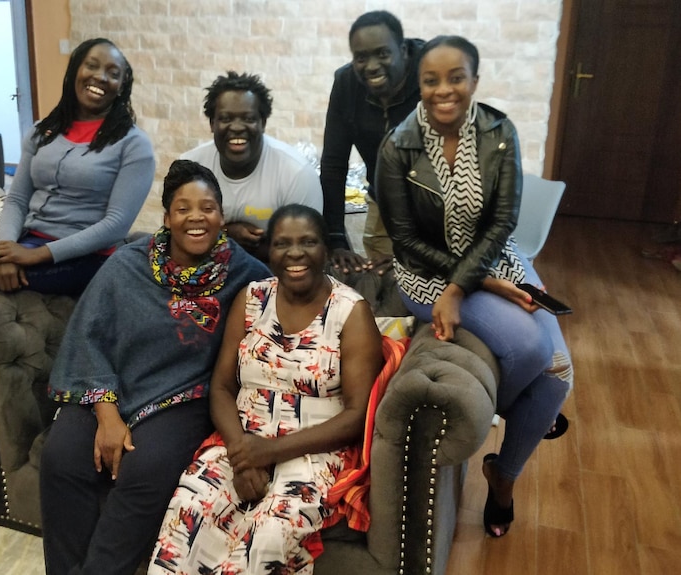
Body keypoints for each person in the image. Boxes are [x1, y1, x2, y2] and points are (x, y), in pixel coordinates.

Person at [375, 35, 574, 538]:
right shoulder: (398, 147)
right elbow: (403, 240)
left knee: (559, 374)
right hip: (425, 275)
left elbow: (503, 221)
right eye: (431, 80)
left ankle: (502, 477)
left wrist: (471, 283)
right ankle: (523, 416)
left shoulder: (499, 132)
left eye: (456, 77)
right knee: (530, 347)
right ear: (418, 85)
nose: (445, 90)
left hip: (493, 258)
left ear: (475, 81)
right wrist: (475, 283)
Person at [39, 159, 270, 575]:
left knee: (145, 467)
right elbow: (88, 337)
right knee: (61, 457)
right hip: (108, 388)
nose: (196, 217)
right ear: (167, 217)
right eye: (183, 208)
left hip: (183, 398)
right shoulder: (126, 265)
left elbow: (293, 302)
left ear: (221, 215)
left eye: (208, 207)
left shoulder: (247, 275)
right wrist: (107, 414)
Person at [148, 204, 384, 574]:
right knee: (189, 506)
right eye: (282, 243)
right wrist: (243, 453)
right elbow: (223, 387)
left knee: (271, 532)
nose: (294, 253)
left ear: (325, 249)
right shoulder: (252, 298)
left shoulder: (350, 313)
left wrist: (268, 452)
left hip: (314, 451)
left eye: (308, 242)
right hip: (241, 440)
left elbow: (356, 417)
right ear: (269, 252)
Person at [0, 38, 155, 319]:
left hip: (85, 259)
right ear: (75, 69)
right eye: (92, 65)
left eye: (114, 73)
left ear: (122, 86)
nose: (100, 76)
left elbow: (115, 226)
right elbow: (16, 198)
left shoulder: (134, 145)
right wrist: (4, 253)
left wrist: (36, 256)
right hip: (26, 243)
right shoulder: (43, 130)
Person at [320, 10, 423, 275]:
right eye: (361, 57)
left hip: (436, 206)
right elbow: (334, 164)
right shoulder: (347, 83)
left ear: (403, 50)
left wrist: (414, 257)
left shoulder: (430, 72)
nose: (372, 66)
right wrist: (336, 238)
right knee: (382, 282)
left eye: (383, 54)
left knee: (424, 285)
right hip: (385, 201)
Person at [181, 71, 323, 262]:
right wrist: (225, 234)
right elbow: (175, 235)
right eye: (226, 118)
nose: (237, 127)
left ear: (263, 123)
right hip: (201, 274)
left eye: (248, 118)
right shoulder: (189, 168)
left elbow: (307, 251)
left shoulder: (296, 173)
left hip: (275, 278)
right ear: (212, 124)